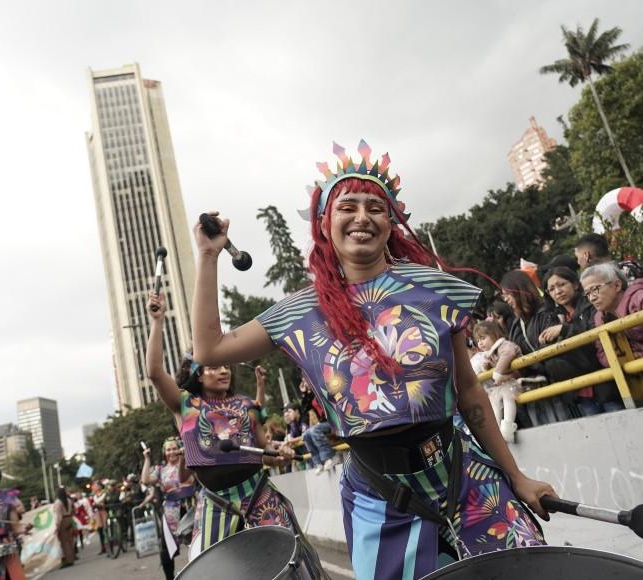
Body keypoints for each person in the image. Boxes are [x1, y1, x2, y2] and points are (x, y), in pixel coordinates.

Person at [190, 141, 555, 580]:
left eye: (375, 208)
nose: (362, 217)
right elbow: (210, 350)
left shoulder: (437, 290)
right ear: (324, 224)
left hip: (465, 476)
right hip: (378, 500)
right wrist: (208, 256)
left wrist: (516, 476)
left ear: (391, 221)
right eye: (347, 207)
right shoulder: (297, 313)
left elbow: (471, 394)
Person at [144, 292, 311, 560]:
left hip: (260, 496)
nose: (223, 371)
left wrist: (281, 454)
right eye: (213, 367)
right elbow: (154, 372)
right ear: (198, 374)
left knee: (293, 560)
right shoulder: (183, 404)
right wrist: (157, 322)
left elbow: (266, 451)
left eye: (226, 366)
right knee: (209, 569)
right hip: (215, 504)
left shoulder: (247, 405)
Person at [538, 266, 620, 416]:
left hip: (606, 383)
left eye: (562, 284)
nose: (558, 291)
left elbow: (595, 333)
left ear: (575, 284)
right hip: (581, 392)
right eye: (552, 289)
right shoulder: (552, 317)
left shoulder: (592, 303)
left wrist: (564, 329)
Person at [500, 270, 563, 425]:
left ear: (518, 290)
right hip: (533, 390)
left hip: (557, 387)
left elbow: (552, 350)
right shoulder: (516, 324)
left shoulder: (546, 312)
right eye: (503, 296)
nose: (505, 299)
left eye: (507, 294)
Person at [141, 438, 196, 580]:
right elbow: (145, 480)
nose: (171, 452)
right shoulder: (160, 470)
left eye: (174, 448)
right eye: (168, 449)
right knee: (166, 550)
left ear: (180, 449)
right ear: (164, 453)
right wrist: (147, 458)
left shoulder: (189, 463)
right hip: (171, 512)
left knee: (198, 542)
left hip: (192, 508)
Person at [582, 263, 643, 376]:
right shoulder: (599, 318)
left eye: (595, 289)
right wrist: (624, 359)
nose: (592, 298)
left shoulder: (639, 299)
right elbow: (602, 352)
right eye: (587, 293)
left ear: (617, 285)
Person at [472, 321, 522, 443]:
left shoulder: (504, 345)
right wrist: (486, 366)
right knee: (494, 399)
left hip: (518, 378)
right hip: (505, 381)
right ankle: (497, 430)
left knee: (507, 395)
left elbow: (508, 354)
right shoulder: (489, 354)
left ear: (494, 334)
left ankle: (507, 429)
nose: (480, 343)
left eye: (483, 338)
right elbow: (493, 368)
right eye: (478, 340)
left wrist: (497, 373)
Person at [298, 378, 342, 474]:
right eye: (304, 381)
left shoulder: (322, 388)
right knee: (306, 434)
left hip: (334, 421)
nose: (305, 383)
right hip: (324, 424)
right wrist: (304, 393)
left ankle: (330, 457)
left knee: (314, 430)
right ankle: (318, 462)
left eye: (306, 380)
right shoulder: (311, 395)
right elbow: (304, 410)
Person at [574, 232, 642, 281]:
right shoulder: (629, 266)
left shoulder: (597, 281)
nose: (578, 262)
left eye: (577, 258)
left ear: (586, 255)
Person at [54, 487, 75, 568]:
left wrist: (57, 526)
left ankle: (68, 559)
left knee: (64, 541)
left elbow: (58, 516)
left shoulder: (58, 502)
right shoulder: (68, 500)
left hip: (63, 520)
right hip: (69, 518)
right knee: (70, 540)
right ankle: (72, 558)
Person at [90, 481, 108, 554]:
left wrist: (96, 504)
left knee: (106, 529)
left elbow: (100, 501)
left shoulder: (104, 493)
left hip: (104, 512)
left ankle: (108, 545)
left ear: (100, 486)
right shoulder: (94, 495)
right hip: (98, 513)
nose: (94, 487)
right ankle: (103, 547)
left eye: (96, 486)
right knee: (100, 530)